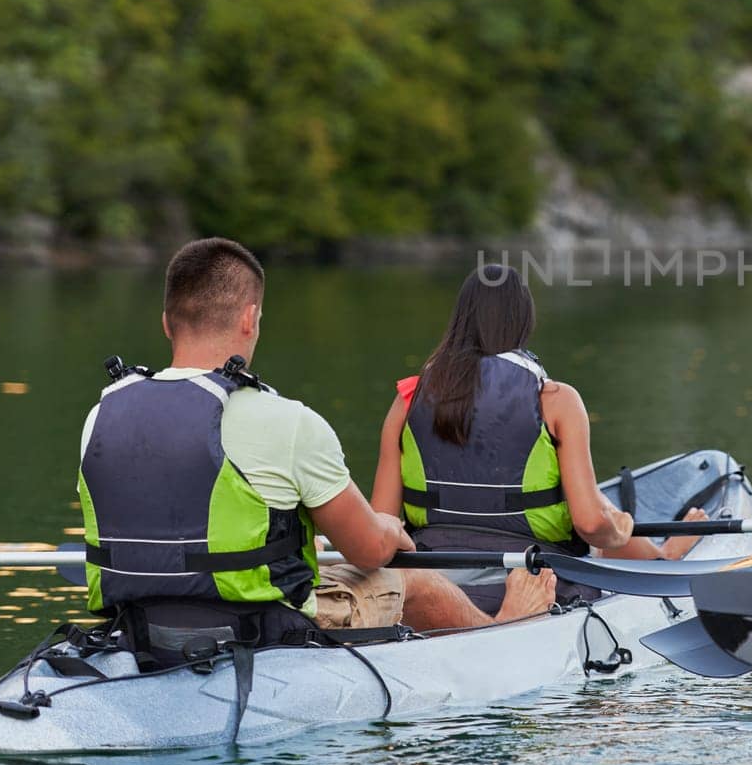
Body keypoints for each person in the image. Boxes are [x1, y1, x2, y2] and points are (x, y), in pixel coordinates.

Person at [78, 238, 554, 663]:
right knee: (418, 582)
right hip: (262, 627)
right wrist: (388, 529)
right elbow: (368, 552)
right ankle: (503, 627)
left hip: (136, 625)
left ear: (166, 324)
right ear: (250, 318)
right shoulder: (288, 421)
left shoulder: (102, 414)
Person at [369, 264, 702, 613]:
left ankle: (660, 554)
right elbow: (590, 524)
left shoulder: (409, 399)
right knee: (602, 523)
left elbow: (381, 524)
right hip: (532, 579)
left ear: (460, 321)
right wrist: (622, 528)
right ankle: (663, 558)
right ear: (524, 322)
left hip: (432, 581)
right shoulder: (556, 400)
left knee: (595, 510)